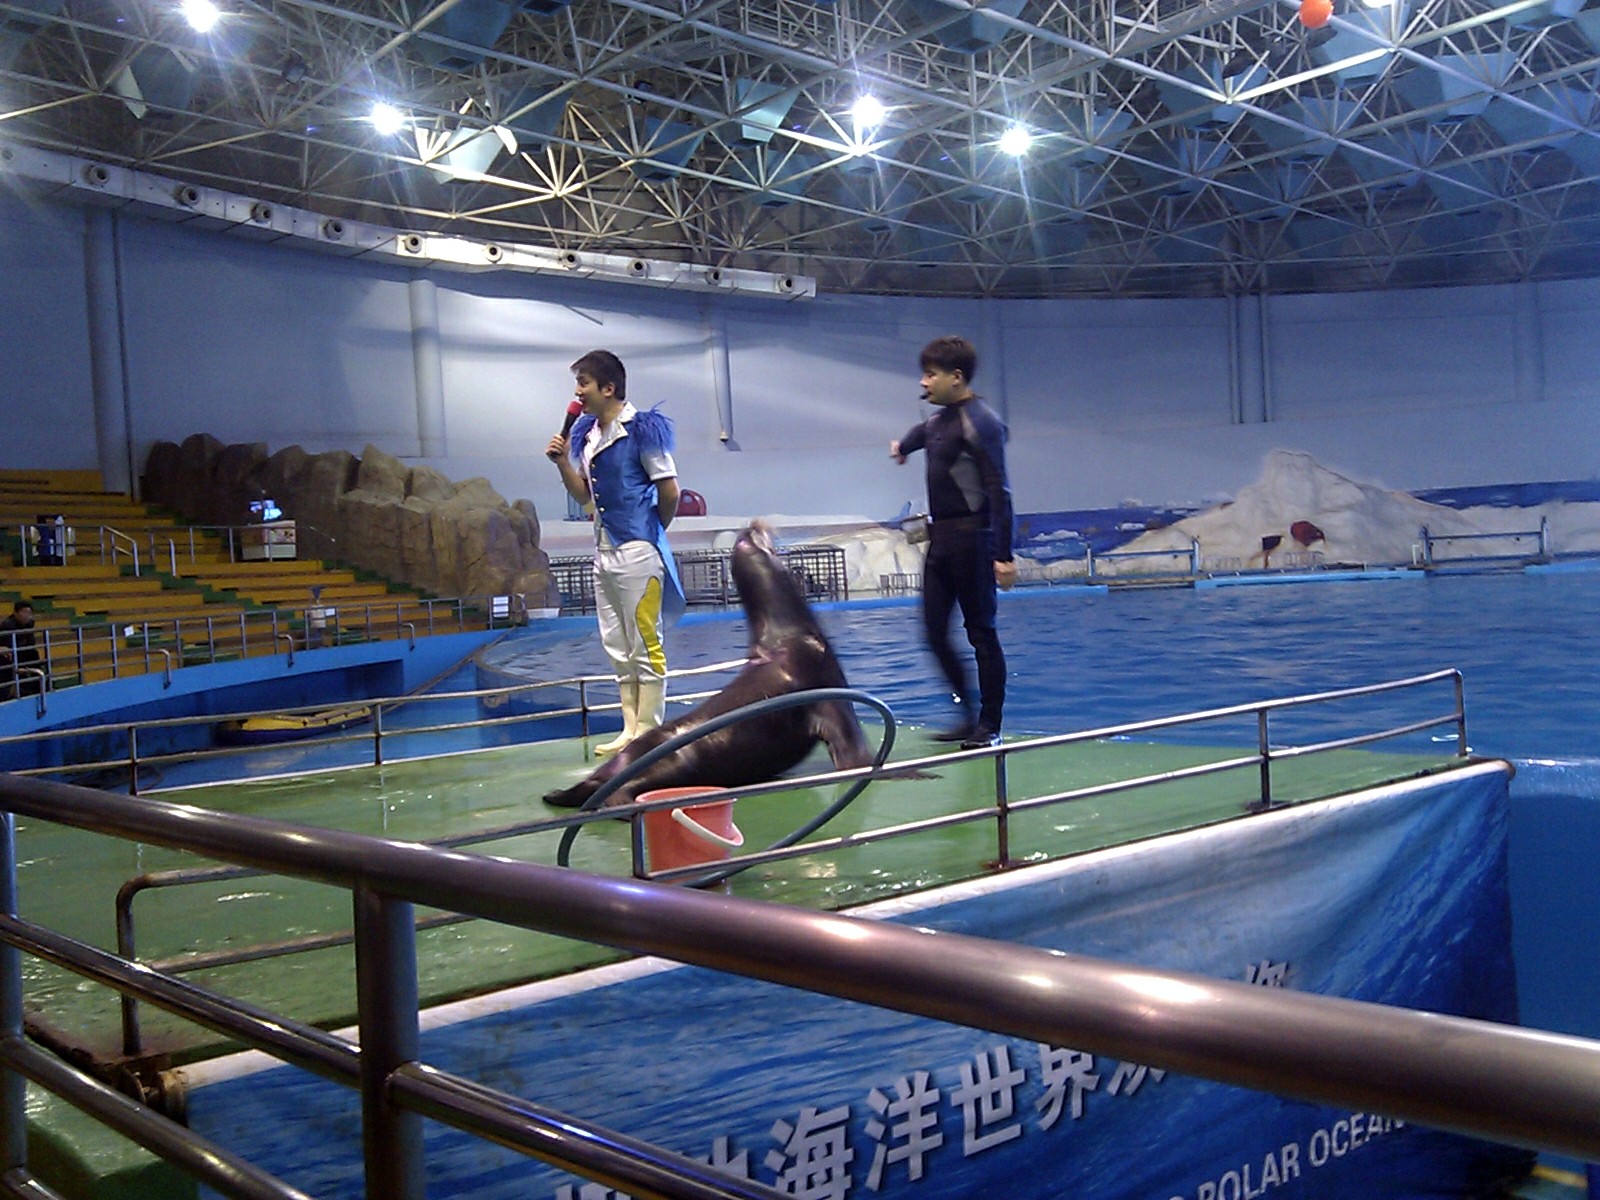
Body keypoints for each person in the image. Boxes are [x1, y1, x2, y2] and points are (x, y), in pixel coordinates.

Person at [548, 349, 683, 755]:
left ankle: (649, 731)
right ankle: (629, 728)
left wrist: (650, 531)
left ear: (608, 388)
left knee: (644, 639)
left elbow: (670, 491)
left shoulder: (641, 431)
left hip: (637, 552)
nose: (578, 392)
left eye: (583, 383)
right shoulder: (589, 435)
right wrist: (562, 462)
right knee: (616, 642)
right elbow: (585, 499)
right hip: (604, 553)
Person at [890, 335, 1017, 749]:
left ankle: (990, 726)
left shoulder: (982, 422)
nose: (923, 382)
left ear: (956, 377)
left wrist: (1004, 555)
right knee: (933, 632)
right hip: (940, 544)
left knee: (982, 634)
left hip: (974, 543)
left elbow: (1000, 491)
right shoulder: (938, 422)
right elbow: (921, 434)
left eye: (931, 375)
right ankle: (967, 717)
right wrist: (902, 448)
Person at [0, 601, 41, 700]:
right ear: (15, 613)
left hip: (23, 654)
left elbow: (31, 643)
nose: (27, 616)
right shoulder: (7, 626)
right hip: (9, 657)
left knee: (34, 655)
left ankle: (39, 687)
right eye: (24, 612)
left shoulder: (29, 625)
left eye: (29, 613)